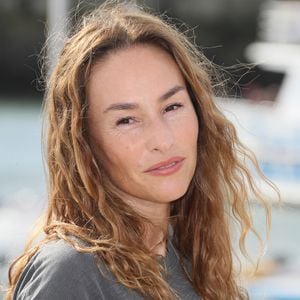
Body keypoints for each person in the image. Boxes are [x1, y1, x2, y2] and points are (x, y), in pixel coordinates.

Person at [5, 1, 277, 299]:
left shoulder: (190, 260)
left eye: (172, 106)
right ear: (84, 143)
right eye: (126, 120)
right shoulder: (72, 271)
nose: (163, 139)